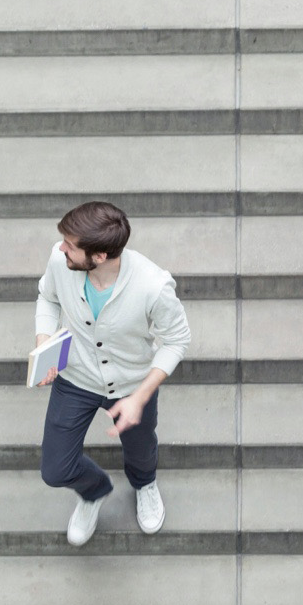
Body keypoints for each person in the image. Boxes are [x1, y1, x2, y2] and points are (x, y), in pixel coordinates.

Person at [33, 201, 192, 546]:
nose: (61, 249)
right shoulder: (60, 260)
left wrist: (141, 395)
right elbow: (48, 298)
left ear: (100, 256)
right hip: (75, 378)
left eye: (71, 245)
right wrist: (44, 340)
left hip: (132, 384)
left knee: (140, 450)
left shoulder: (153, 285)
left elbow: (177, 340)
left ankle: (144, 484)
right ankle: (93, 492)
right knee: (55, 469)